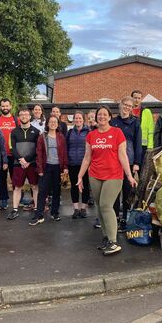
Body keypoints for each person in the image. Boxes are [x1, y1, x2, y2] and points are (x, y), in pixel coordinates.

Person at [77, 106, 137, 256]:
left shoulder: (117, 133)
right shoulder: (91, 135)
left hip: (114, 175)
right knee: (99, 206)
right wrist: (80, 176)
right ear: (96, 118)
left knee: (106, 205)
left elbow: (123, 156)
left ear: (110, 117)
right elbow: (87, 157)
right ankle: (106, 237)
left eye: (105, 115)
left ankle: (113, 241)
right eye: (99, 115)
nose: (102, 117)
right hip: (95, 175)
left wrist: (129, 175)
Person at [29, 116, 69, 225]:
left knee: (57, 191)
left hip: (58, 167)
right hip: (46, 167)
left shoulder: (61, 136)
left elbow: (64, 153)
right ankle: (39, 215)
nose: (53, 123)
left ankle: (54, 213)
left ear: (57, 124)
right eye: (51, 122)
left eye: (55, 122)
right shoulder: (42, 137)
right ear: (48, 124)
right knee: (42, 192)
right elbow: (39, 153)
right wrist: (40, 169)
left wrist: (65, 167)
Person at [111, 97, 142, 232]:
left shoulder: (135, 123)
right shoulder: (112, 122)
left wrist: (137, 162)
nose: (127, 107)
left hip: (128, 162)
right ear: (120, 105)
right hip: (113, 163)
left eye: (130, 106)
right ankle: (115, 218)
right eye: (125, 105)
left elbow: (138, 144)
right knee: (115, 193)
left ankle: (125, 219)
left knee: (127, 192)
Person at [7, 108, 40, 220]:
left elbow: (37, 149)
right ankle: (15, 210)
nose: (24, 116)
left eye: (26, 114)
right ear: (19, 117)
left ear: (30, 116)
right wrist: (21, 160)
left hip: (32, 164)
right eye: (21, 114)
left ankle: (36, 209)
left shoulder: (36, 132)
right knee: (17, 187)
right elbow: (12, 148)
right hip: (18, 164)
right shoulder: (14, 131)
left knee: (34, 186)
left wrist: (27, 160)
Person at [66, 111, 90, 219]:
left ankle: (83, 208)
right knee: (74, 186)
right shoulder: (70, 132)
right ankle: (76, 209)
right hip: (72, 163)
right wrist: (66, 164)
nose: (78, 120)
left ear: (83, 120)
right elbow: (66, 147)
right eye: (76, 118)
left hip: (84, 164)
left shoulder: (88, 132)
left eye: (80, 118)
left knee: (85, 186)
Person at [0, 98, 18, 211]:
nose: (5, 108)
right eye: (3, 106)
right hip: (1, 154)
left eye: (7, 106)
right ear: (0, 107)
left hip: (14, 154)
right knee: (2, 178)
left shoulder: (16, 120)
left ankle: (18, 198)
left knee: (16, 178)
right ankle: (3, 200)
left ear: (10, 106)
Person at [131, 90, 154, 165]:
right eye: (135, 98)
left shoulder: (147, 111)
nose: (137, 100)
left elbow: (151, 130)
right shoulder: (128, 111)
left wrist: (150, 146)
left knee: (143, 170)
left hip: (143, 146)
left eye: (139, 98)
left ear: (141, 99)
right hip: (131, 145)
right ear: (131, 98)